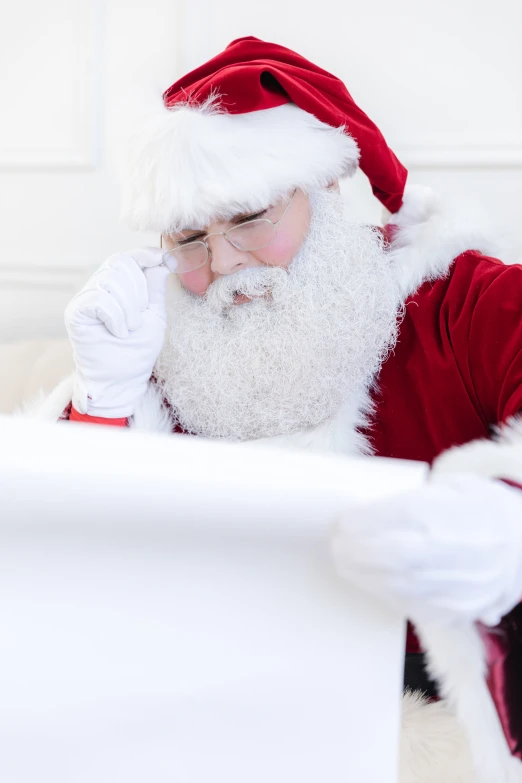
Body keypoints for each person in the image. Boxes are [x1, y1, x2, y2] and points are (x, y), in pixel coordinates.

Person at [40, 37, 522, 780]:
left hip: (441, 702)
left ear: (323, 188)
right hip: (226, 703)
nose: (224, 263)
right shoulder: (160, 345)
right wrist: (104, 404)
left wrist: (509, 523)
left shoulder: (463, 300)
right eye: (190, 238)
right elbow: (80, 580)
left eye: (250, 216)